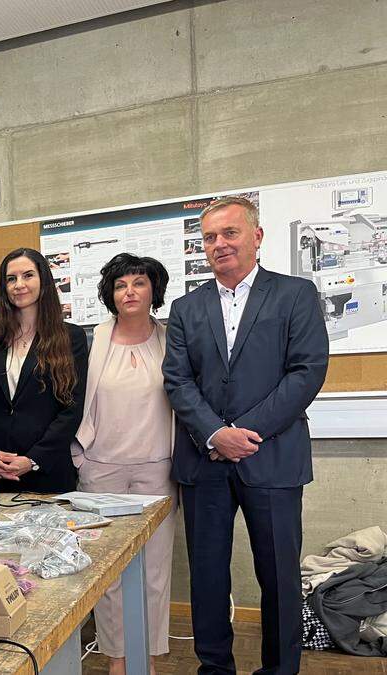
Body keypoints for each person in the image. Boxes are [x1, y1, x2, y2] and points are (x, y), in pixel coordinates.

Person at [163, 196, 328, 675]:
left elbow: (307, 371)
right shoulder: (185, 307)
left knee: (278, 577)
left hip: (273, 458)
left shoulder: (295, 294)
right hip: (204, 462)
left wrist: (243, 432)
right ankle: (215, 668)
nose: (219, 244)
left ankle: (280, 670)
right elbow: (177, 379)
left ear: (256, 236)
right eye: (210, 237)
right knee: (208, 578)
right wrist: (216, 433)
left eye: (229, 233)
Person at [73, 253, 175, 675]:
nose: (129, 291)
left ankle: (146, 658)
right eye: (120, 285)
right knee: (108, 572)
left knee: (154, 572)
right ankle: (117, 657)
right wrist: (79, 455)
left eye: (138, 282)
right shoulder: (92, 340)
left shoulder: (171, 338)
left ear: (154, 290)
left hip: (158, 469)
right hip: (101, 470)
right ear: (109, 294)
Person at [0, 248, 87, 494]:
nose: (19, 284)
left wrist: (33, 460)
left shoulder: (70, 337)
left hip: (49, 472)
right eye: (11, 279)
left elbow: (72, 409)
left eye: (28, 275)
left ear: (44, 281)